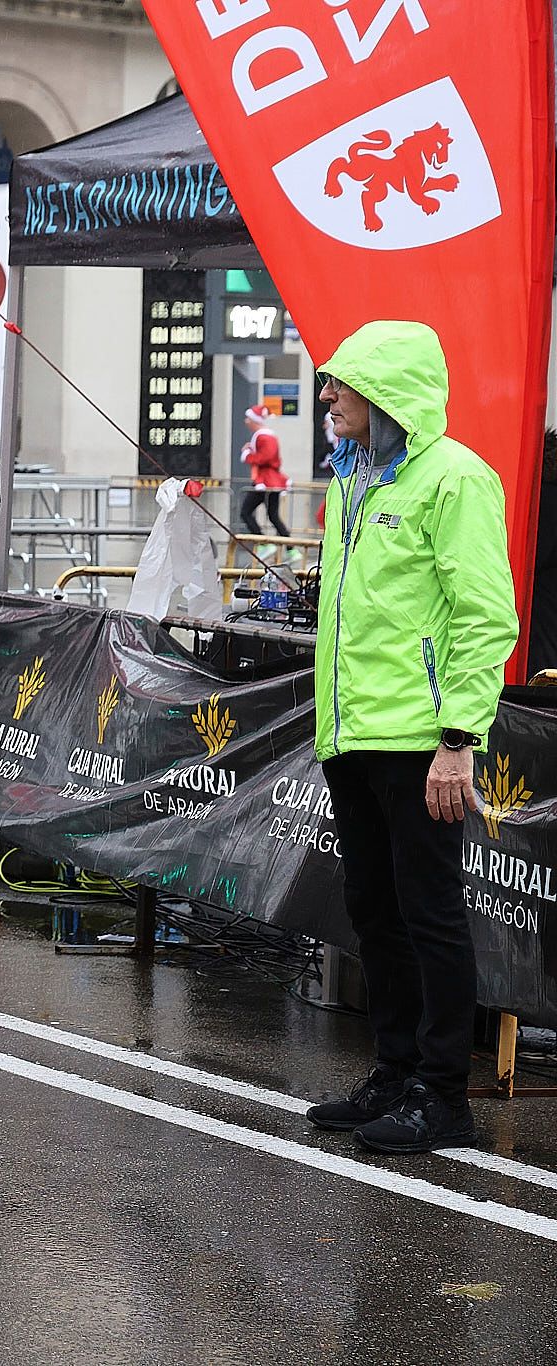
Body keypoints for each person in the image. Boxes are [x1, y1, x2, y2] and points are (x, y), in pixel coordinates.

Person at [304, 321, 516, 1155]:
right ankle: (395, 1071)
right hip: (352, 736)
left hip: (423, 742)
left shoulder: (456, 479)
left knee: (428, 914)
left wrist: (458, 736)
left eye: (340, 384)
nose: (327, 398)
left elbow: (484, 615)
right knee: (374, 911)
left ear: (386, 393)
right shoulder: (349, 483)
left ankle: (442, 1091)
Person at [238, 403, 289, 538]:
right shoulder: (264, 436)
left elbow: (266, 457)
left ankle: (262, 542)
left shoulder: (264, 436)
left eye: (248, 418)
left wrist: (248, 454)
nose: (246, 421)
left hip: (265, 481)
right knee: (273, 516)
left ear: (255, 420)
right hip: (269, 481)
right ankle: (290, 547)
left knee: (246, 512)